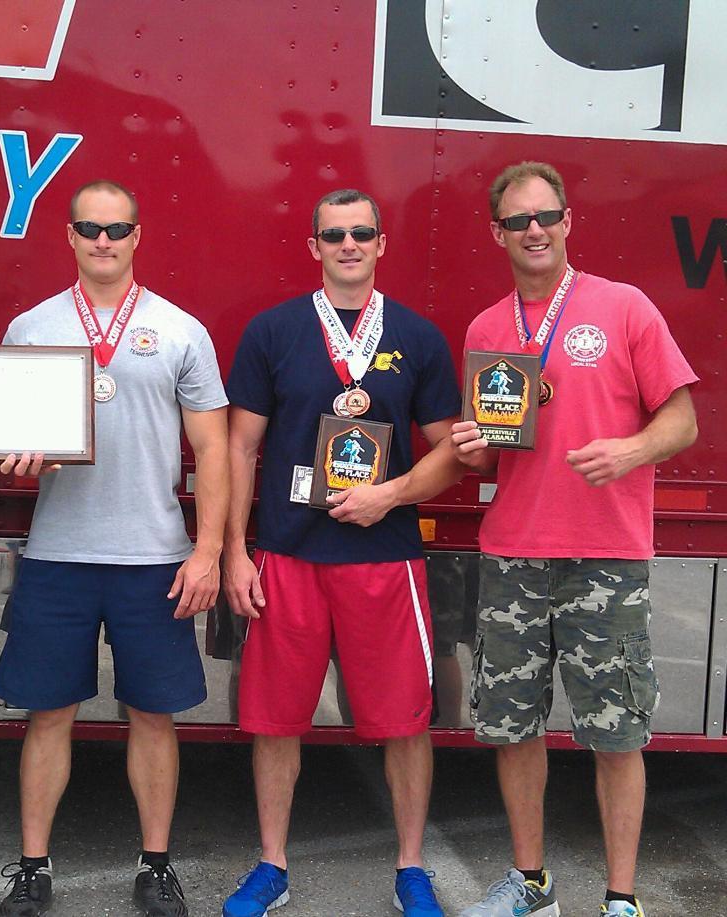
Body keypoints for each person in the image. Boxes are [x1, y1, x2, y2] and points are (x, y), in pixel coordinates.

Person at [451, 161, 698, 917]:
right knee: (513, 727)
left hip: (607, 558)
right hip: (514, 554)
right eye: (519, 220)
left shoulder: (623, 308)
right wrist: (472, 447)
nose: (535, 229)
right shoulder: (489, 328)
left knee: (617, 733)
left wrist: (629, 450)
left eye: (546, 216)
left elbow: (681, 420)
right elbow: (496, 451)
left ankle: (621, 898)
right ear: (498, 233)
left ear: (567, 222)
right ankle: (533, 883)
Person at [221, 189, 463, 917]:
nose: (349, 243)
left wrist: (389, 495)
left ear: (382, 243)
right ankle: (272, 863)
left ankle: (412, 866)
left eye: (362, 232)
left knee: (404, 720)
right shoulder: (275, 331)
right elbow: (239, 443)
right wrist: (234, 549)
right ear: (314, 245)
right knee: (274, 719)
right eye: (334, 233)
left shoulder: (418, 336)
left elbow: (451, 449)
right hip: (288, 555)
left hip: (384, 557)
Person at [0, 180, 228, 917]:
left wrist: (208, 549)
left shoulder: (180, 328)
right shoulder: (31, 328)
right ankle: (32, 868)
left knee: (152, 716)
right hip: (59, 551)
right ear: (69, 235)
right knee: (47, 715)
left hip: (154, 554)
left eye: (117, 227)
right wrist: (15, 453)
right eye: (89, 228)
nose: (103, 240)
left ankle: (156, 866)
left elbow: (213, 447)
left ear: (137, 235)